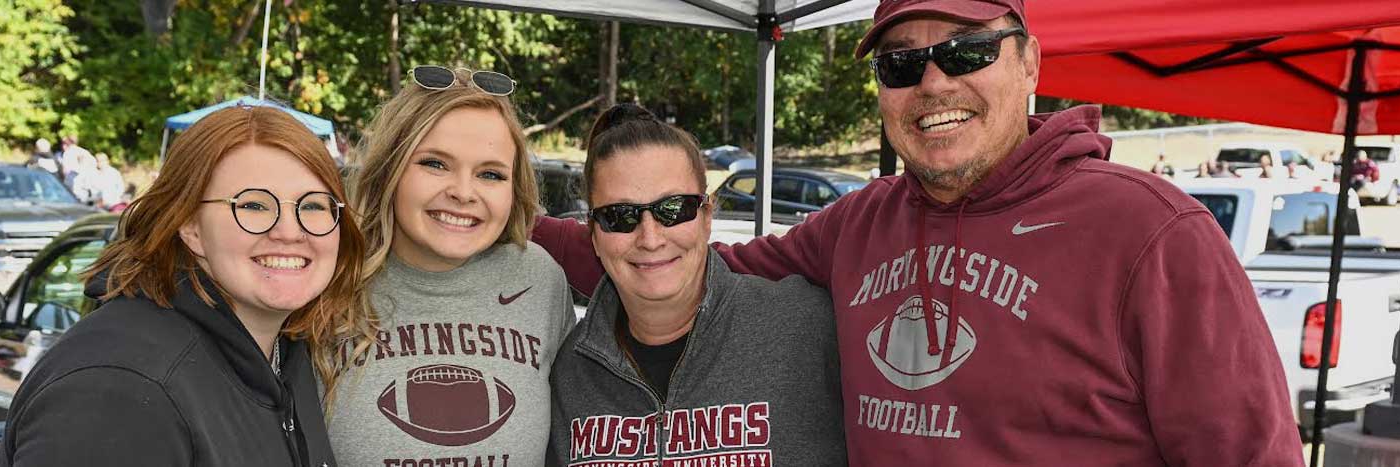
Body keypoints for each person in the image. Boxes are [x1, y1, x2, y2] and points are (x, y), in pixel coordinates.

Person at [532, 0, 1303, 464]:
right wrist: (505, 226)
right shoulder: (861, 223)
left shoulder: (1152, 233)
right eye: (902, 66)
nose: (932, 82)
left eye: (965, 50)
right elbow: (680, 255)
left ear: (1030, 61)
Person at [0, 105, 363, 466]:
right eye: (252, 206)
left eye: (313, 206)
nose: (288, 231)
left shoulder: (288, 354)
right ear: (190, 225)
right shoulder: (120, 389)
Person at [544, 104, 846, 466]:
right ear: (593, 234)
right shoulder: (572, 372)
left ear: (706, 217)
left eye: (674, 209)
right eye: (619, 216)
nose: (650, 238)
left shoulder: (807, 326)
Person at [327, 65, 573, 466]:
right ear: (391, 168)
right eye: (435, 164)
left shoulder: (538, 279)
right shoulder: (331, 278)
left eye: (490, 174)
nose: (462, 192)